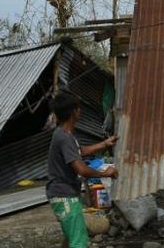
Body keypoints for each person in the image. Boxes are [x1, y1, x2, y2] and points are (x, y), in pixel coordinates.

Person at [46, 91, 118, 248]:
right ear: (73, 112)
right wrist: (105, 173)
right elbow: (82, 170)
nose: (80, 111)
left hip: (63, 194)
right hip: (64, 196)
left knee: (70, 237)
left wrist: (103, 144)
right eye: (78, 108)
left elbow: (79, 152)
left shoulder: (64, 134)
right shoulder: (65, 137)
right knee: (79, 241)